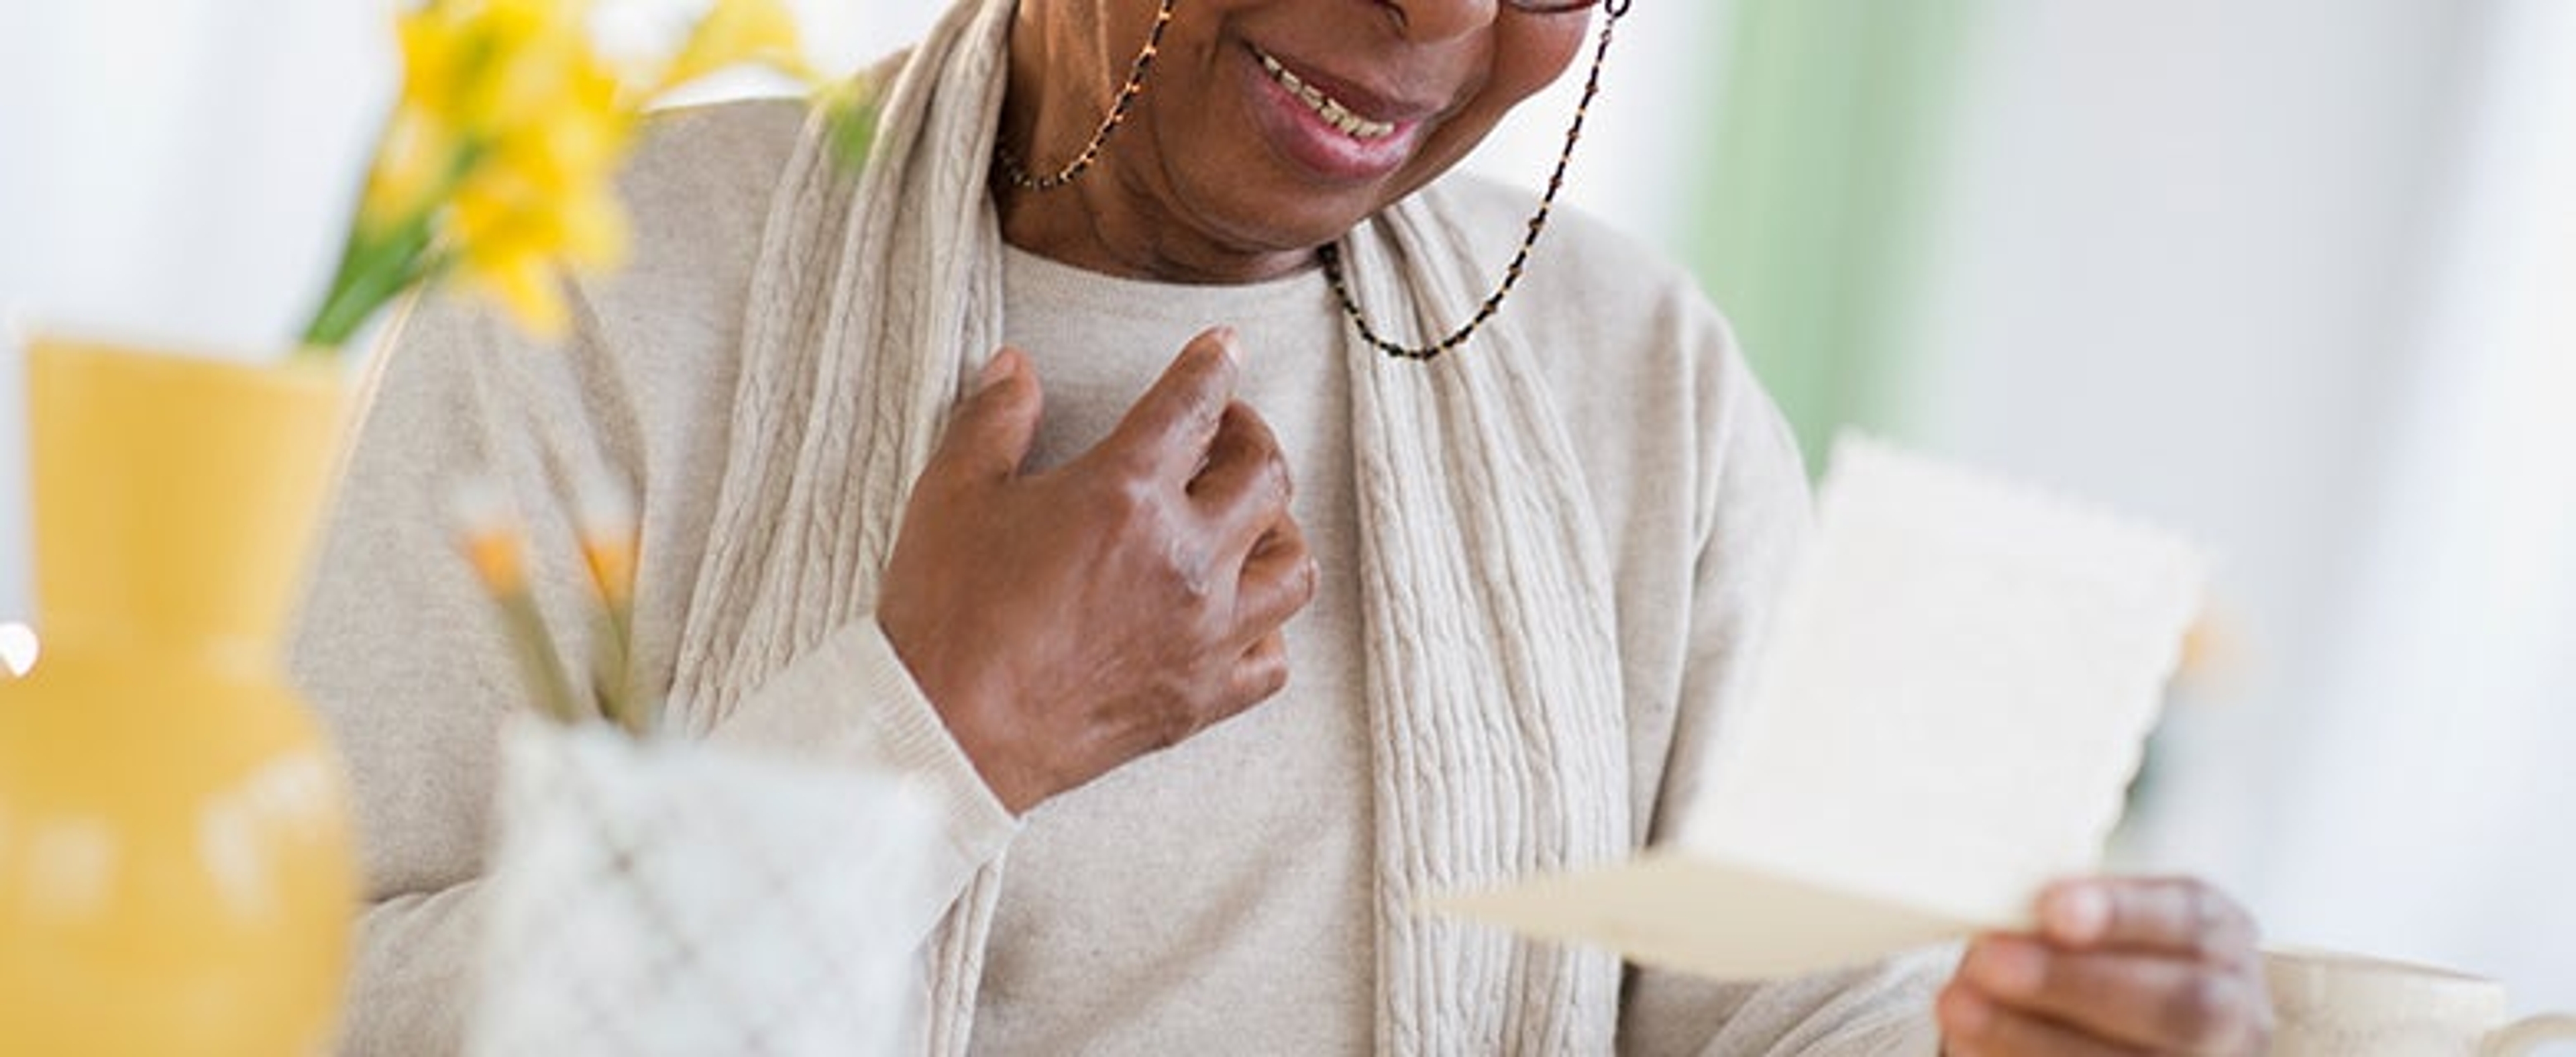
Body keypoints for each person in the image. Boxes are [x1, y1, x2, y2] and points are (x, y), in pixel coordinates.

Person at [293, 0, 2276, 1052]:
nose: (1442, 5)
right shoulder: (606, 279)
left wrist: (2016, 1048)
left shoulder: (1637, 377)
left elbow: (1797, 1020)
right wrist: (932, 730)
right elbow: (286, 1012)